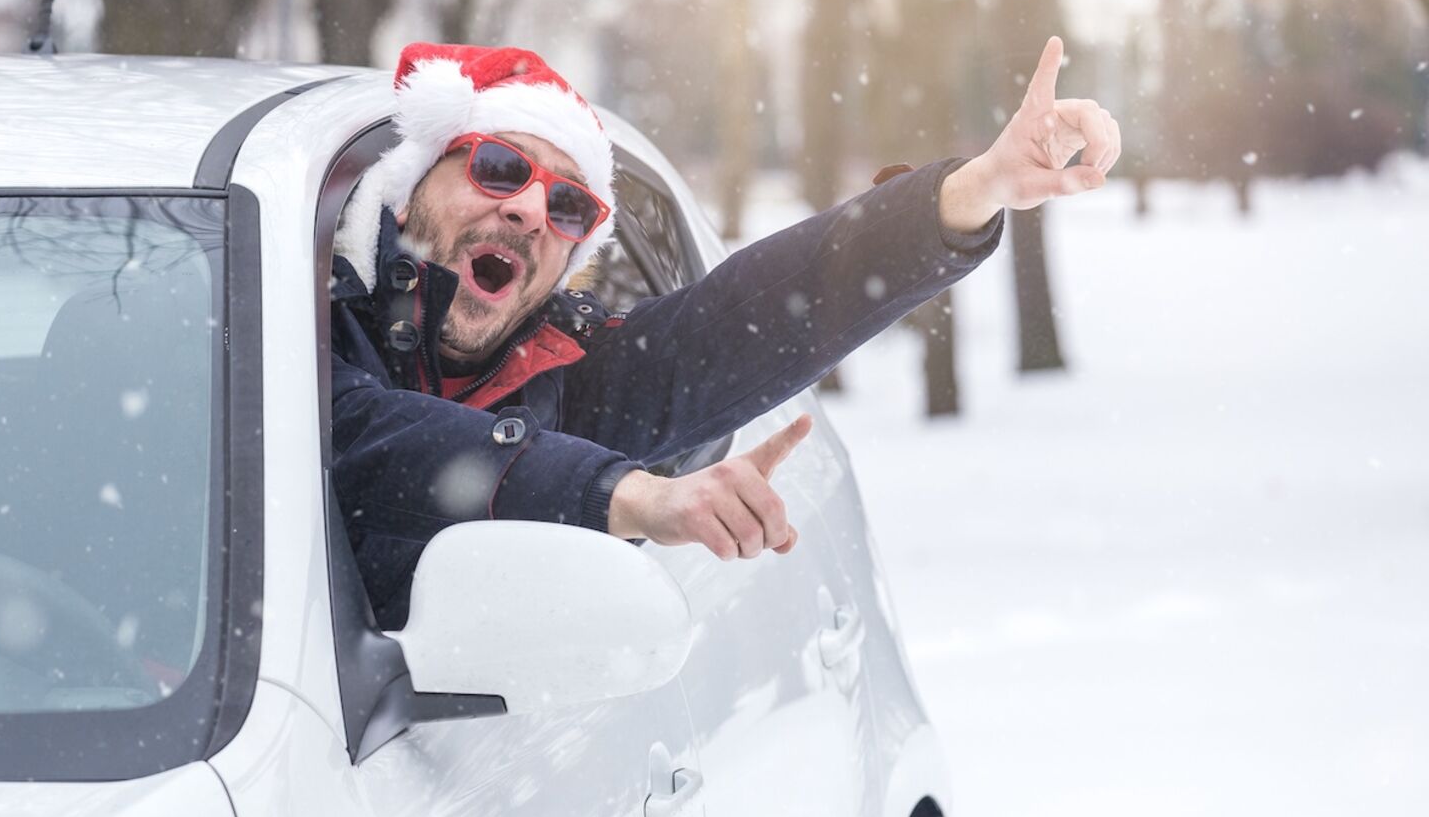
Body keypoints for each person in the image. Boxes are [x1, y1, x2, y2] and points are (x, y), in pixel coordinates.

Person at [331, 39, 1120, 627]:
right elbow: (359, 434)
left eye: (568, 206)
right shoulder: (306, 325)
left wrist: (981, 186)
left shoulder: (572, 374)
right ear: (410, 185)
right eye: (500, 168)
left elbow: (767, 307)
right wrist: (627, 495)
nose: (531, 210)